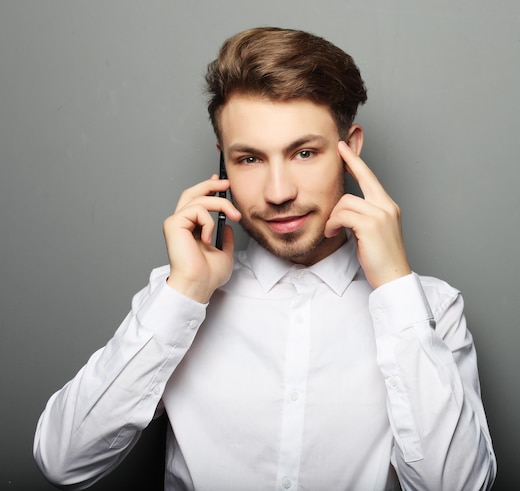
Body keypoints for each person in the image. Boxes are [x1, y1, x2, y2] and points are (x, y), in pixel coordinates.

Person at [34, 27, 496, 490]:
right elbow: (63, 462)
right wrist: (185, 295)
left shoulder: (429, 309)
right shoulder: (176, 298)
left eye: (305, 152)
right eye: (250, 159)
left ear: (350, 149)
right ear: (224, 164)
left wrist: (395, 287)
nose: (278, 193)